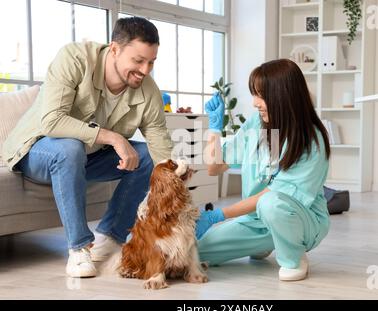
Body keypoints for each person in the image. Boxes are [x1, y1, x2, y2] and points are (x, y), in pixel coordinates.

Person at [1, 17, 173, 278]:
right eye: (138, 61)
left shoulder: (147, 89)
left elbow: (159, 141)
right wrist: (115, 138)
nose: (145, 70)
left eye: (151, 62)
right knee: (70, 148)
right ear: (114, 49)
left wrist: (173, 186)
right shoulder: (74, 59)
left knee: (148, 157)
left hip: (88, 158)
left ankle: (111, 238)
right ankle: (79, 248)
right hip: (37, 150)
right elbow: (52, 121)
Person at [196, 59, 331, 281]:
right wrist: (214, 129)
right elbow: (214, 168)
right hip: (255, 220)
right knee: (196, 250)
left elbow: (274, 196)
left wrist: (218, 215)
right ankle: (263, 243)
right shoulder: (256, 124)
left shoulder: (311, 140)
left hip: (300, 220)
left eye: (261, 95)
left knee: (271, 204)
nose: (255, 103)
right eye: (254, 94)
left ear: (283, 96)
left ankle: (294, 256)